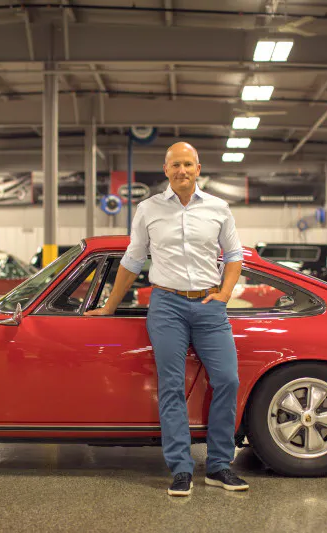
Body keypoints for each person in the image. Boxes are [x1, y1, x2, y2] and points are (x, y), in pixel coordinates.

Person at [85, 142, 248, 496]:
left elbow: (235, 256)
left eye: (188, 164)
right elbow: (132, 259)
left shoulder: (219, 209)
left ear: (198, 168)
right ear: (166, 169)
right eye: (176, 165)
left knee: (227, 380)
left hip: (209, 306)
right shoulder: (148, 209)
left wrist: (223, 294)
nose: (182, 170)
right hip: (167, 306)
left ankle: (220, 465)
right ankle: (181, 468)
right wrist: (111, 305)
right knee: (171, 386)